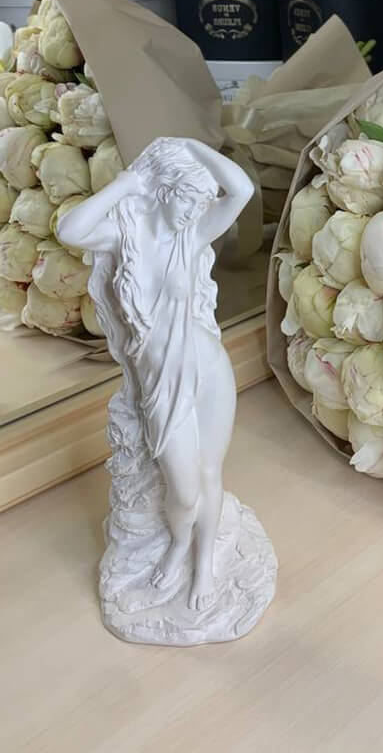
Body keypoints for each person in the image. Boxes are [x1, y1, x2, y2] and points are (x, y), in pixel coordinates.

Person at [58, 136, 254, 611]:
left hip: (209, 367)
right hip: (161, 381)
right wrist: (126, 184)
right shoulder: (125, 236)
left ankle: (203, 563)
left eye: (199, 202)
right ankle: (179, 544)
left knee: (210, 472)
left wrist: (188, 145)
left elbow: (242, 190)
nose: (192, 211)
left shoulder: (193, 233)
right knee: (183, 492)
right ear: (163, 191)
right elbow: (70, 230)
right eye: (186, 198)